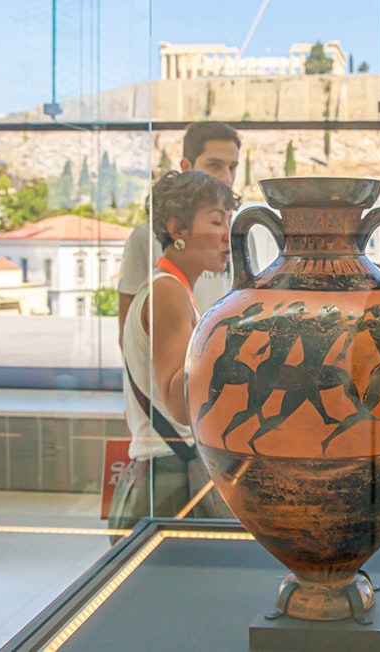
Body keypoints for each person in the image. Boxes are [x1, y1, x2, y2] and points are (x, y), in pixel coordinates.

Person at [108, 171, 239, 537]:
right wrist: (232, 343)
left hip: (166, 474)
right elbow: (181, 402)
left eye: (229, 221)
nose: (228, 234)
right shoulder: (168, 293)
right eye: (216, 221)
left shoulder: (176, 290)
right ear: (177, 229)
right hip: (169, 481)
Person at [117, 121, 242, 347]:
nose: (226, 178)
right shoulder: (145, 239)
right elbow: (129, 337)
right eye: (215, 165)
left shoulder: (239, 236)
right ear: (186, 166)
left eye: (232, 167)